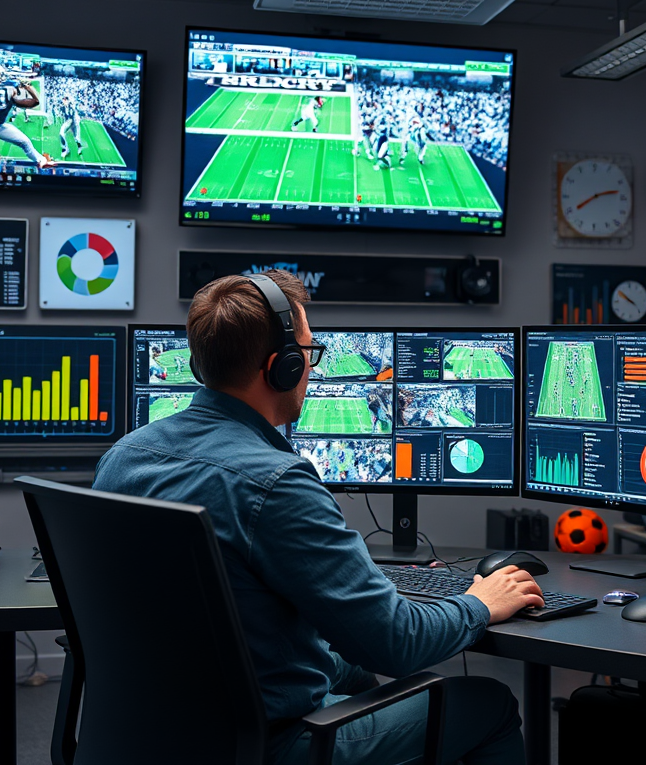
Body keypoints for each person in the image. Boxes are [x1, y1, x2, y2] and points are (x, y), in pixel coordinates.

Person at [93, 271, 539, 764]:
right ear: (280, 367)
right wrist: (480, 601)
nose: (310, 367)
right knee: (489, 704)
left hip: (152, 735)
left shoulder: (124, 457)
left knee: (349, 671)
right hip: (265, 744)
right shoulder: (276, 482)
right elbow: (397, 643)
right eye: (308, 353)